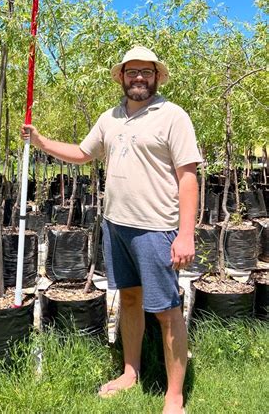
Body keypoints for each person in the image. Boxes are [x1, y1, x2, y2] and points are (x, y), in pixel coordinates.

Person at [21, 45, 201, 414]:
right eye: (131, 72)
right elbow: (84, 153)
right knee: (129, 300)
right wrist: (41, 143)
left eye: (146, 72)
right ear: (120, 76)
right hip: (116, 226)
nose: (138, 78)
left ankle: (174, 396)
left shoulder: (172, 116)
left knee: (167, 311)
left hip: (157, 229)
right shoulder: (110, 118)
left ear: (156, 77)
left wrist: (185, 234)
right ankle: (130, 372)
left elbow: (188, 178)